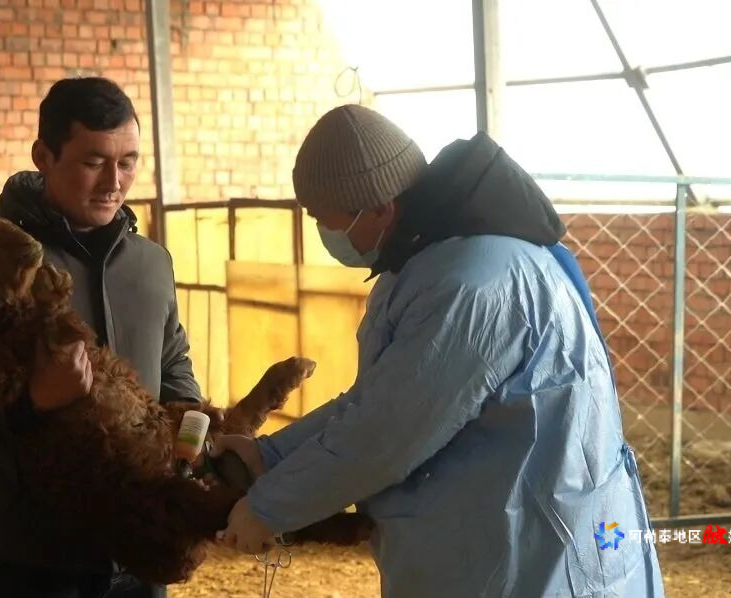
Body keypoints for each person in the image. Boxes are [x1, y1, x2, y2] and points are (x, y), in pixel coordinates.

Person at [213, 105, 665, 597]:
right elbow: (378, 400)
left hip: (535, 559)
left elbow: (387, 435)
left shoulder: (471, 285)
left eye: (328, 221)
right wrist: (272, 455)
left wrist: (269, 507)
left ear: (381, 208)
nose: (326, 235)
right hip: (495, 543)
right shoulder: (428, 259)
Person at [0, 77, 202, 598]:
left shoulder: (152, 263)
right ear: (43, 156)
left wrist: (191, 450)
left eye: (128, 162)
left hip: (140, 555)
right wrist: (29, 403)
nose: (114, 181)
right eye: (94, 162)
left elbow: (174, 366)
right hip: (25, 562)